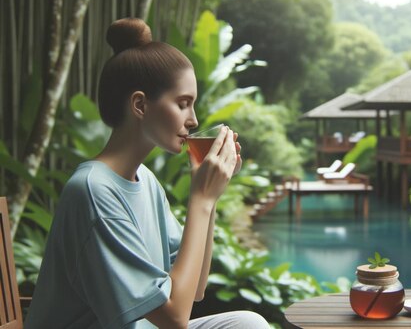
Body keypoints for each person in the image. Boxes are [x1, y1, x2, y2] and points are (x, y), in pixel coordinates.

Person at [25, 18, 270, 329]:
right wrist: (201, 199)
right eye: (183, 104)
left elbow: (194, 290)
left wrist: (211, 195)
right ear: (140, 105)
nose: (193, 119)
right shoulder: (93, 190)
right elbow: (174, 317)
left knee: (248, 324)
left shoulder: (147, 182)